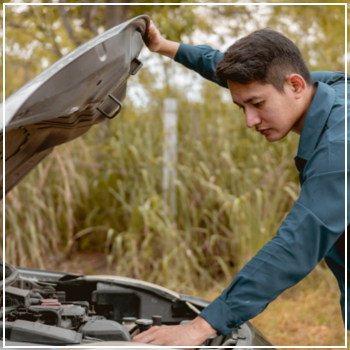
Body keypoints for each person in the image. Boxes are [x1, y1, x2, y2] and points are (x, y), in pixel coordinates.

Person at [132, 22, 349, 346]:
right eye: (242, 106)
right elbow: (223, 67)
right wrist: (165, 47)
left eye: (258, 105)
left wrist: (200, 327)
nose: (250, 121)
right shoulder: (328, 86)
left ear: (296, 85)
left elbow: (297, 245)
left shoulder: (339, 149)